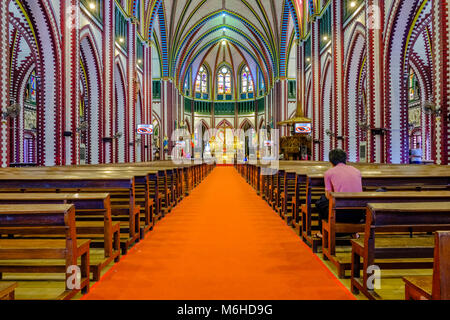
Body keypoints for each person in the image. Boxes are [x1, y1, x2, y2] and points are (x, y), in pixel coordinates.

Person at [316, 149, 364, 239]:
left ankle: (322, 232)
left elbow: (328, 196)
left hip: (339, 214)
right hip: (358, 214)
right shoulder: (357, 171)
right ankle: (354, 231)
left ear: (330, 161)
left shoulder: (328, 173)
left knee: (321, 201)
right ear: (345, 159)